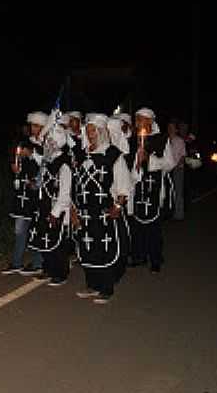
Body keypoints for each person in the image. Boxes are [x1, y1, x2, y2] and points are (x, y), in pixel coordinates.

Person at [74, 113, 131, 304]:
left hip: (105, 211)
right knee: (88, 247)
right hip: (85, 212)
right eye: (88, 130)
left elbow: (124, 185)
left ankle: (106, 288)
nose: (90, 134)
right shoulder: (82, 155)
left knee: (105, 248)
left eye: (94, 130)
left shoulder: (113, 155)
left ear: (101, 132)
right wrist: (74, 210)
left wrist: (117, 205)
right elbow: (77, 186)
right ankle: (92, 284)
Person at [126, 108, 177, 273]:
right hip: (138, 187)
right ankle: (138, 256)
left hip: (154, 188)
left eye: (140, 120)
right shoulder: (133, 140)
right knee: (137, 225)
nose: (137, 123)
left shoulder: (162, 140)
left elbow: (170, 164)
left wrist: (150, 160)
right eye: (136, 120)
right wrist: (135, 168)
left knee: (153, 227)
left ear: (149, 121)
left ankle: (155, 258)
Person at [26, 120, 74, 286]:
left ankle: (61, 273)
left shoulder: (64, 164)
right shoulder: (47, 160)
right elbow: (43, 179)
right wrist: (35, 184)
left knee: (58, 243)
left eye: (50, 141)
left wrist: (56, 212)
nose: (47, 144)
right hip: (44, 207)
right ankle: (48, 269)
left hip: (57, 209)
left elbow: (65, 192)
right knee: (45, 239)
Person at [2, 111, 47, 276]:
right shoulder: (25, 142)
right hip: (22, 192)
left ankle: (38, 262)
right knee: (19, 229)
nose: (33, 129)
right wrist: (16, 167)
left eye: (36, 126)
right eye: (32, 125)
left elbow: (48, 163)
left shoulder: (47, 144)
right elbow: (19, 163)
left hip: (38, 193)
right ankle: (16, 262)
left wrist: (32, 154)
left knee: (35, 227)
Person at [166, 119, 187, 221]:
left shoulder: (179, 140)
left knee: (178, 192)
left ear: (176, 130)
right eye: (169, 127)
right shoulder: (165, 140)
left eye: (172, 127)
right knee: (168, 192)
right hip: (166, 170)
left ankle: (179, 214)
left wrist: (176, 166)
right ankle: (168, 213)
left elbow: (183, 156)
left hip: (177, 169)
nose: (170, 129)